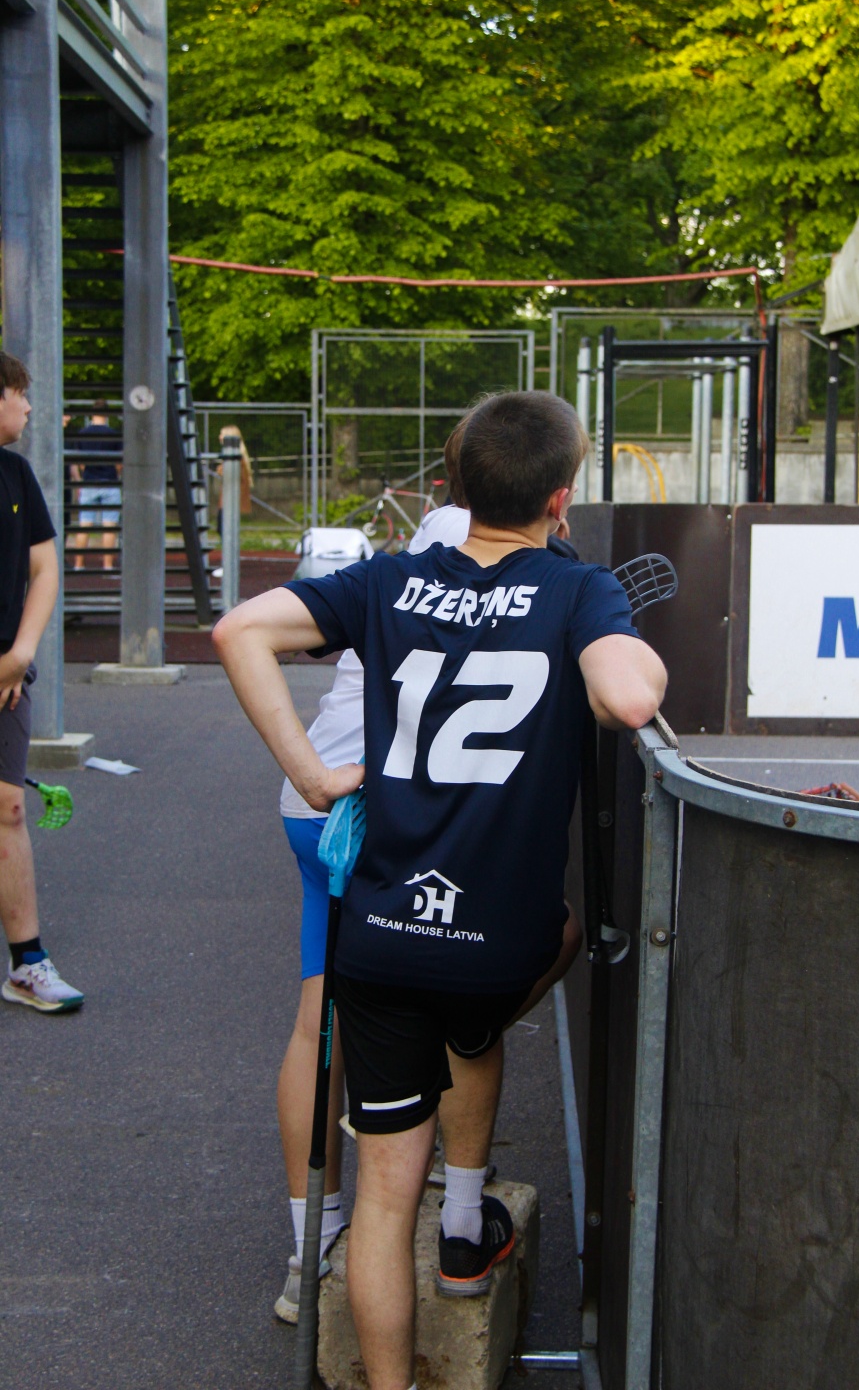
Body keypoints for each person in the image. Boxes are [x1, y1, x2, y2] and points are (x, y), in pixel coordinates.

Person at [214, 391, 666, 1390]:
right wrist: (629, 642)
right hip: (500, 941)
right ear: (562, 496)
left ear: (453, 487)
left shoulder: (389, 578)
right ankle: (466, 1155)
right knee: (539, 959)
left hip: (381, 931)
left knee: (385, 1194)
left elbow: (240, 629)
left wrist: (313, 774)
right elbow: (629, 696)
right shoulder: (578, 588)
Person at [272, 422, 582, 1325]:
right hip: (385, 803)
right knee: (457, 1003)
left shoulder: (420, 548)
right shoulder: (511, 552)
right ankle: (452, 1221)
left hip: (324, 798)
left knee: (322, 1019)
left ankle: (312, 1246)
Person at [0, 353, 84, 1012]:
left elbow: (46, 569)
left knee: (8, 809)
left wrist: (20, 653)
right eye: (19, 393)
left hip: (6, 676)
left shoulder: (17, 473)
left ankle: (27, 964)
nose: (29, 407)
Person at [70, 398, 122, 572]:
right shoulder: (114, 434)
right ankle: (107, 565)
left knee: (84, 524)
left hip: (89, 481)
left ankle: (79, 564)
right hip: (110, 481)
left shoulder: (83, 433)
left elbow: (80, 462)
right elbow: (119, 463)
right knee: (109, 526)